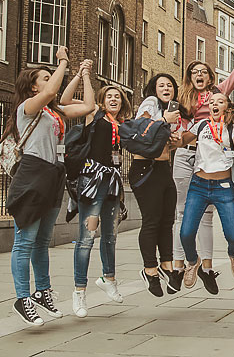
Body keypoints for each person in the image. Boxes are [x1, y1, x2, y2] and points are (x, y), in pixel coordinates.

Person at [172, 27, 234, 293]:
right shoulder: (183, 98)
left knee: (220, 227)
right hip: (191, 155)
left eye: (204, 71)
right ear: (189, 78)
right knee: (183, 217)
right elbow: (178, 133)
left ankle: (207, 265)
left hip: (220, 166)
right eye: (194, 72)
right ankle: (183, 264)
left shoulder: (221, 98)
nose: (200, 75)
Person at [5, 49, 95, 326]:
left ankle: (42, 291)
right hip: (33, 174)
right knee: (25, 242)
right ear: (33, 86)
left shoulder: (53, 112)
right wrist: (63, 63)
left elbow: (89, 107)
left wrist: (85, 76)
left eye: (50, 77)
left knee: (42, 242)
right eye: (45, 78)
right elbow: (50, 92)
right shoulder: (28, 108)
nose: (50, 81)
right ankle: (22, 298)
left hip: (54, 175)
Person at [66, 83, 132, 317]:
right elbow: (64, 100)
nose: (114, 99)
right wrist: (84, 75)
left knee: (111, 236)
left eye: (118, 96)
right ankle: (79, 291)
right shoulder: (94, 113)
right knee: (86, 238)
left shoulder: (120, 124)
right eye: (109, 96)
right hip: (93, 181)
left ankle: (109, 278)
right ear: (102, 99)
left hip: (112, 182)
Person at [178, 93, 234, 292]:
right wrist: (174, 130)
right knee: (186, 233)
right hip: (198, 185)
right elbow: (182, 141)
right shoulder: (201, 125)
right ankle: (192, 261)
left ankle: (233, 254)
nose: (214, 104)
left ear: (227, 106)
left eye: (220, 101)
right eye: (211, 102)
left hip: (223, 187)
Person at [133, 74, 185, 296]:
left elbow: (159, 141)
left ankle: (166, 264)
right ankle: (149, 270)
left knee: (167, 221)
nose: (166, 88)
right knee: (152, 221)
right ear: (153, 88)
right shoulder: (151, 103)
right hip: (146, 170)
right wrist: (164, 120)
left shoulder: (170, 110)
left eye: (170, 85)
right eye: (161, 85)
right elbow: (140, 127)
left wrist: (174, 142)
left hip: (164, 168)